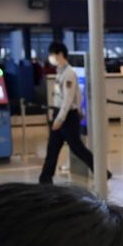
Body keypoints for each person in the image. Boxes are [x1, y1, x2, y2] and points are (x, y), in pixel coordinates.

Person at [39, 41, 105, 184]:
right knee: (53, 148)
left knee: (77, 148)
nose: (50, 57)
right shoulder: (60, 72)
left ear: (60, 54)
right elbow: (77, 94)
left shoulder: (69, 73)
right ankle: (45, 178)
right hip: (61, 113)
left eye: (52, 54)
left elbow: (68, 100)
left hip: (66, 116)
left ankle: (102, 171)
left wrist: (60, 119)